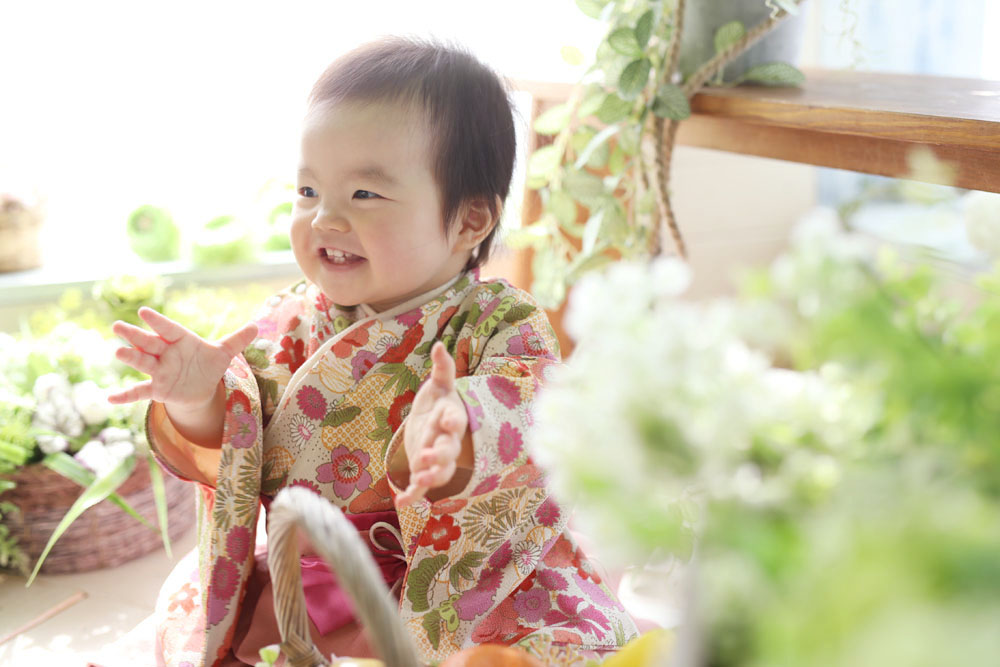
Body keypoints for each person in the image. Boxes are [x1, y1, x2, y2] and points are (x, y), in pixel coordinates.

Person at [109, 37, 638, 666]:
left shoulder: (498, 321)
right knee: (189, 621)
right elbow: (239, 441)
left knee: (555, 649)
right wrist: (199, 399)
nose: (324, 219)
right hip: (311, 580)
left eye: (364, 195)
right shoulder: (289, 318)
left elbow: (533, 409)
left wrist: (463, 431)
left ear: (470, 221)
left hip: (460, 583)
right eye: (308, 191)